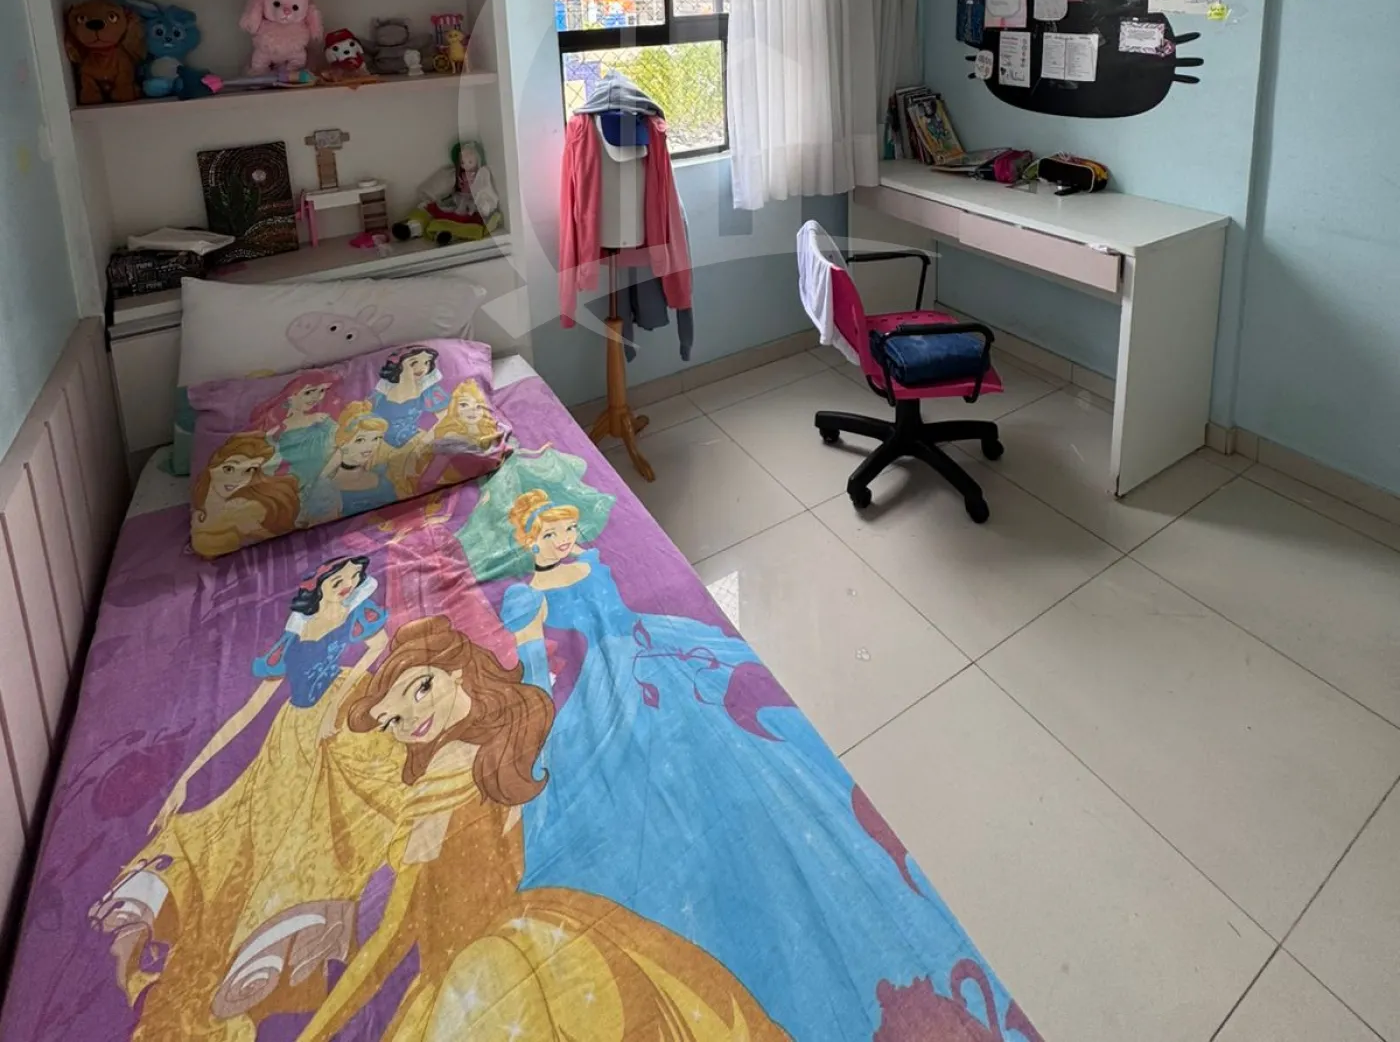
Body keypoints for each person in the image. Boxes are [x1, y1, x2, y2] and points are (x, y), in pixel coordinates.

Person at [456, 446, 986, 1040]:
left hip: (654, 649)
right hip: (599, 685)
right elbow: (533, 664)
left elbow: (621, 609)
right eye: (552, 534)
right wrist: (542, 722)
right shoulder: (526, 595)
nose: (565, 540)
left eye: (568, 530)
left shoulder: (591, 561)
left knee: (739, 731)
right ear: (528, 540)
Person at [292, 615, 788, 1042]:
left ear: (457, 670)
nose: (413, 719)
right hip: (532, 931)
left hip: (486, 961)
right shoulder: (493, 755)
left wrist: (317, 1030)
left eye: (421, 688)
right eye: (394, 721)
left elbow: (393, 934)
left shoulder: (446, 784)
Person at [89, 557, 404, 1041]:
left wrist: (342, 704)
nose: (346, 586)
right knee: (246, 850)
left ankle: (275, 955)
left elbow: (379, 647)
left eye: (353, 580)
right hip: (289, 741)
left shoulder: (355, 615)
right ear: (318, 584)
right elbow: (250, 710)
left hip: (340, 722)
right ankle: (206, 983)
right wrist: (188, 776)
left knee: (323, 843)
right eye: (337, 579)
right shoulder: (292, 635)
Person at [190, 433, 299, 557]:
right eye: (228, 469)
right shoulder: (205, 505)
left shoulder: (245, 507)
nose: (237, 479)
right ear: (212, 467)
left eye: (249, 470)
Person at [250, 370, 341, 520]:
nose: (316, 397)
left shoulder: (323, 421)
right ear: (291, 395)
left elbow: (342, 448)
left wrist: (320, 480)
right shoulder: (274, 430)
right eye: (309, 392)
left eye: (321, 391)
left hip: (321, 488)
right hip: (289, 490)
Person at [371, 345, 448, 447]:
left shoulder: (428, 391)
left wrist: (425, 439)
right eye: (413, 363)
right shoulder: (380, 394)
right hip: (377, 446)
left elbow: (446, 417)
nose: (421, 368)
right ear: (398, 365)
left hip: (414, 444)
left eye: (427, 362)